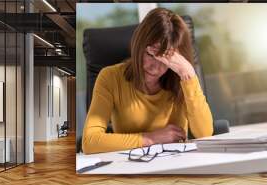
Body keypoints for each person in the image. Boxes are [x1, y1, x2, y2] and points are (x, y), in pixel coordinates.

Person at [82, 8, 213, 154]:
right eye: (151, 54)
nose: (156, 68)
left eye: (166, 59)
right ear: (138, 45)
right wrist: (151, 139)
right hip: (131, 167)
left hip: (176, 165)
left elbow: (205, 134)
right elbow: (90, 142)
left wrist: (188, 74)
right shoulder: (110, 77)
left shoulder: (180, 78)